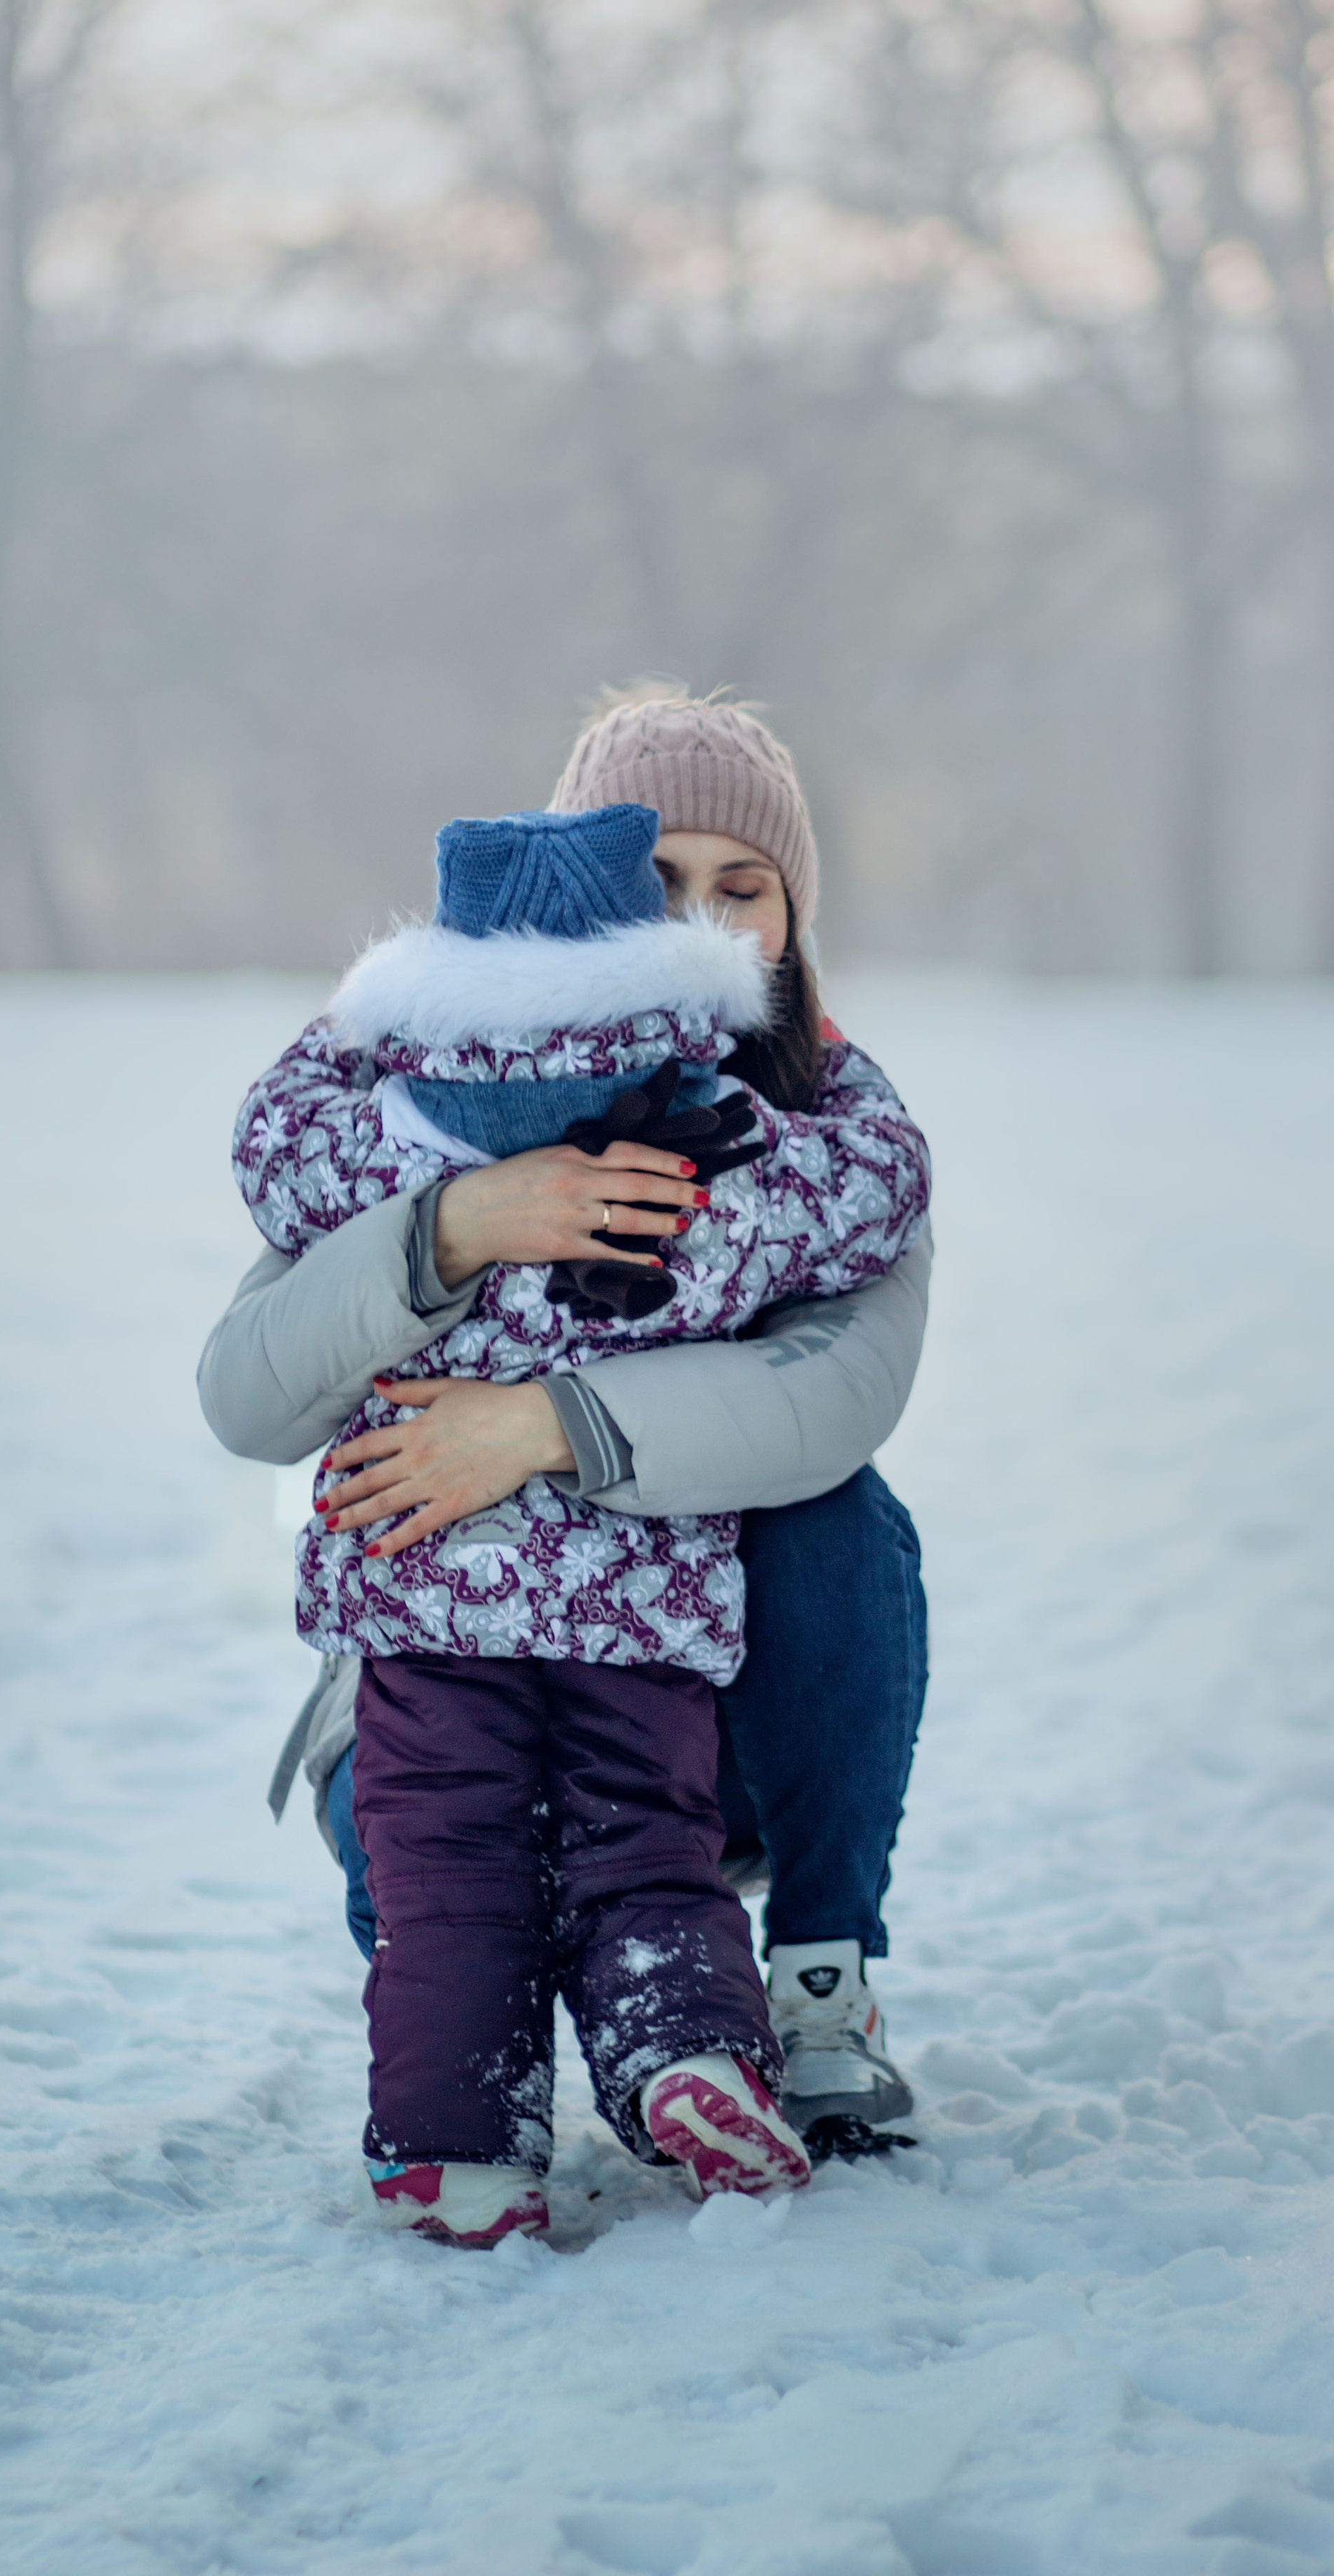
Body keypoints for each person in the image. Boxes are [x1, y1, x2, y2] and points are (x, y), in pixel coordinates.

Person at [199, 694, 933, 2165]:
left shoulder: (823, 1128)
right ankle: (475, 2093)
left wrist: (542, 1424)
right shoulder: (405, 1096)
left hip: (677, 1687)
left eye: (745, 891)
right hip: (435, 1690)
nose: (704, 927)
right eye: (659, 886)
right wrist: (451, 1226)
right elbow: (247, 1395)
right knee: (450, 1933)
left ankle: (808, 1987)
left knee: (846, 1523)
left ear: (795, 917)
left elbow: (832, 1401)